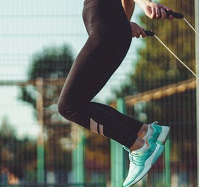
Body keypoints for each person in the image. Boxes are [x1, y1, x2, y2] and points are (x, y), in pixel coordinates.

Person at [57, 0, 173, 186]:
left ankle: (140, 148)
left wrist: (145, 4)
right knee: (77, 104)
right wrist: (124, 23)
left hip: (106, 33)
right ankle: (147, 131)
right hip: (110, 31)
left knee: (68, 106)